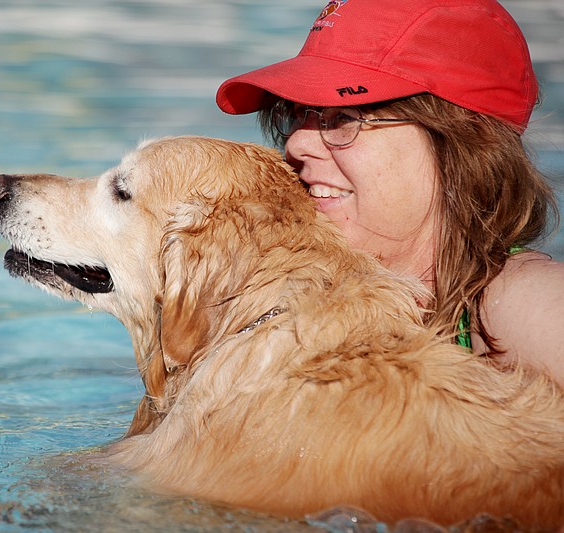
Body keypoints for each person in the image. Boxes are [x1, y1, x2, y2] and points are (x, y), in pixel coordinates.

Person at [215, 0, 564, 387]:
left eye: (343, 118)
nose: (296, 144)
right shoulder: (284, 302)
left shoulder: (521, 304)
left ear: (463, 144)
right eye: (297, 114)